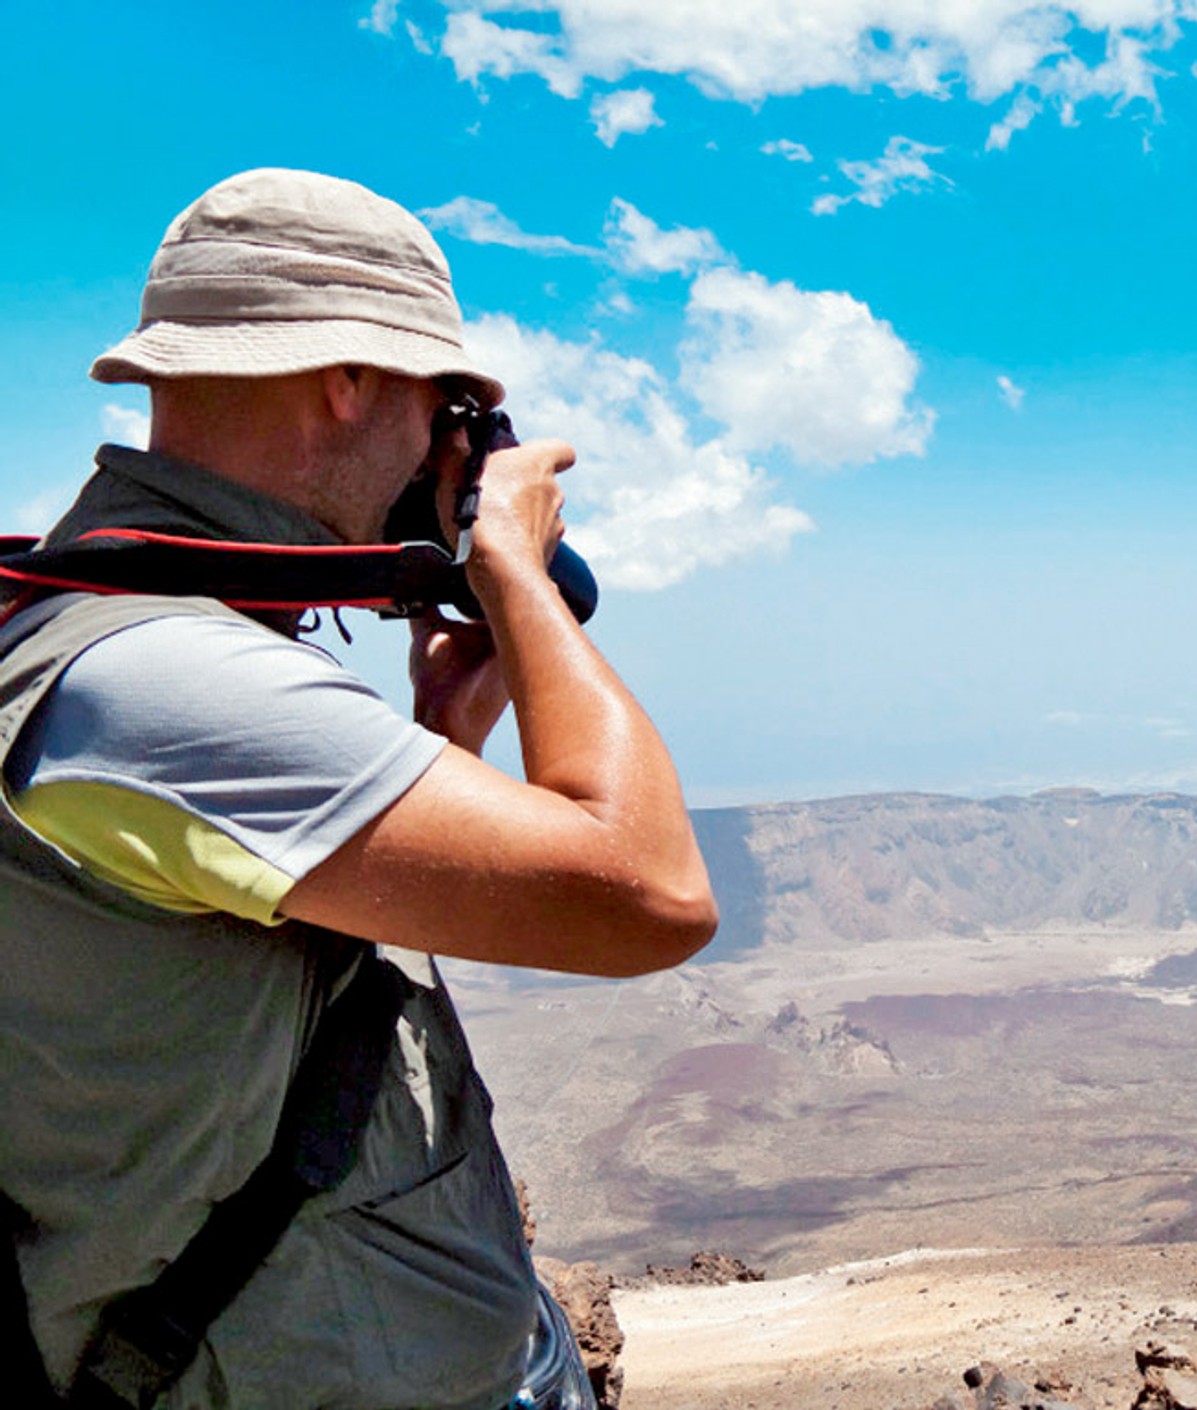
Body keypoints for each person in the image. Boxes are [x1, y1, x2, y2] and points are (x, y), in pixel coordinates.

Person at [0, 169, 717, 1406]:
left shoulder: (112, 628)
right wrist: (513, 572)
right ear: (347, 378)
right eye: (450, 406)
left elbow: (272, 972)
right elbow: (648, 898)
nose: (453, 451)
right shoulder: (163, 677)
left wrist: (443, 738)